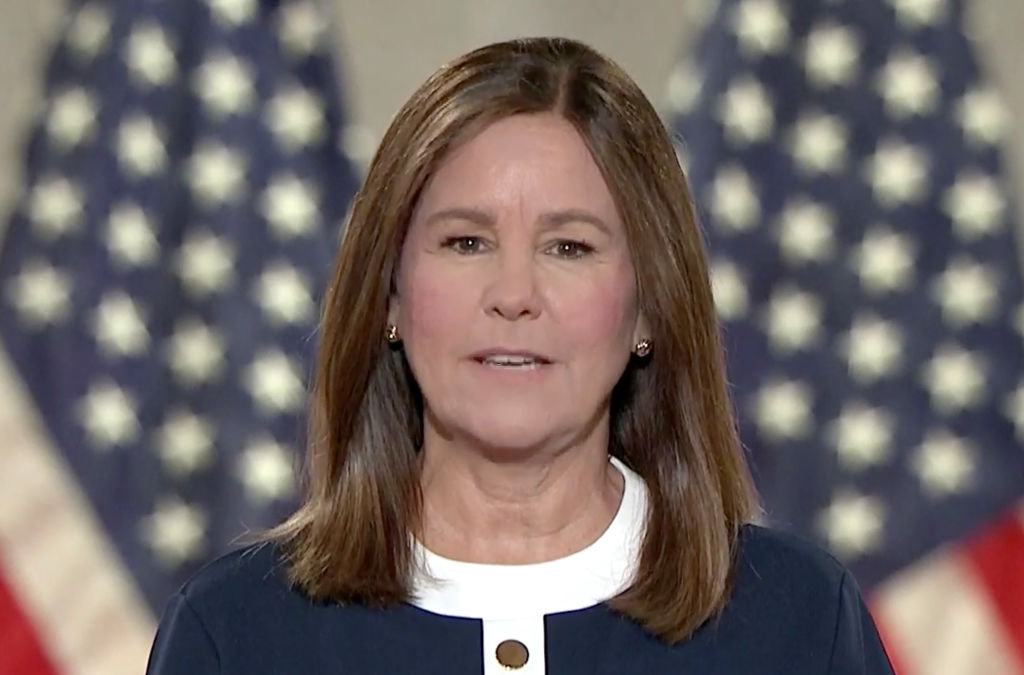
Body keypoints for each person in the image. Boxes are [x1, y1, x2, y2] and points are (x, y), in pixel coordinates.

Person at [146, 37, 895, 674]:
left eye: (568, 246)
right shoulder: (235, 633)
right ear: (391, 299)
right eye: (465, 242)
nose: (514, 293)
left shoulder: (797, 623)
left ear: (647, 306)